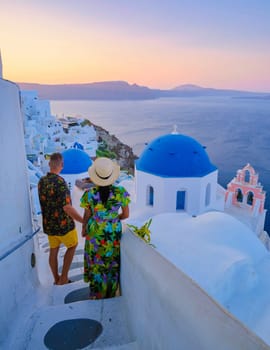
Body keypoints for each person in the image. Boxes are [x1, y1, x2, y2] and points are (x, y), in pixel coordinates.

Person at [80, 157, 130, 299]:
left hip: (94, 231)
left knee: (96, 261)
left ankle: (96, 293)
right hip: (112, 232)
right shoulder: (121, 192)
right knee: (111, 261)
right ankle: (110, 292)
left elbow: (87, 215)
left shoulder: (89, 194)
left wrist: (84, 228)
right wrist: (112, 219)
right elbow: (126, 215)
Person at [38, 152, 84, 285]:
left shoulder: (42, 181)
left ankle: (56, 278)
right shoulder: (60, 182)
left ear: (49, 164)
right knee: (73, 245)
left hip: (49, 225)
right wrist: (82, 220)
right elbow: (67, 207)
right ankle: (63, 278)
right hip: (63, 226)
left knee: (54, 250)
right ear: (61, 165)